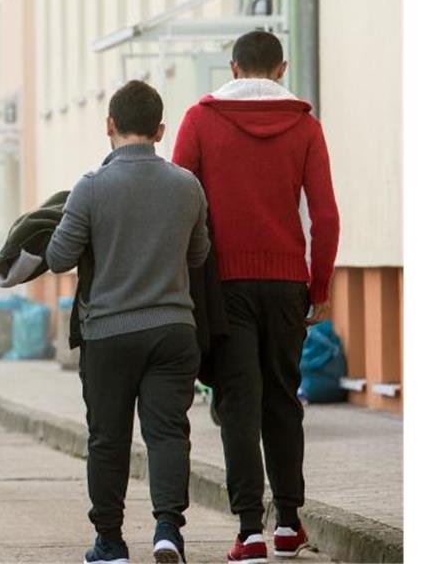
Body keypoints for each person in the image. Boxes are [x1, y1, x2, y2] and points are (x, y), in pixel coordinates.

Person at [172, 29, 339, 563]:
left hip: (226, 286)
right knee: (283, 400)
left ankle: (249, 531)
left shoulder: (201, 119)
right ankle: (290, 522)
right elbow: (325, 214)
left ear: (234, 67)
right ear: (282, 68)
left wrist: (183, 281)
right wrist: (320, 284)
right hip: (288, 282)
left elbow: (179, 202)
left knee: (237, 404)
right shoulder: (306, 125)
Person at [47, 80, 210, 564]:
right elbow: (199, 254)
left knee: (108, 439)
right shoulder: (187, 185)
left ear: (109, 126)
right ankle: (167, 531)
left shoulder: (91, 187)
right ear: (161, 129)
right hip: (173, 330)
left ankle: (111, 542)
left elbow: (58, 258)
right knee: (167, 433)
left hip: (109, 334)